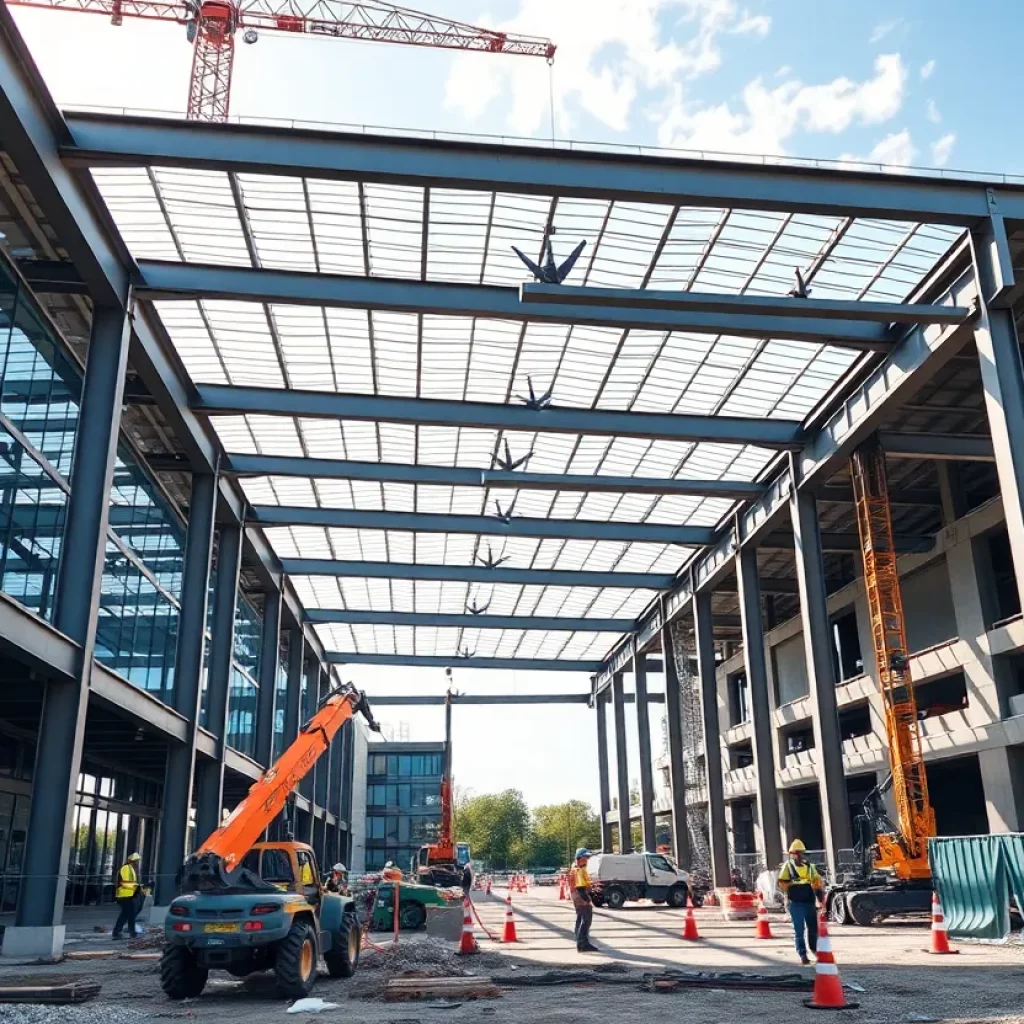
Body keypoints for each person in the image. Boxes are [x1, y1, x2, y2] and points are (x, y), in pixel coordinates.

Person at [777, 839, 823, 965]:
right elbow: (781, 883)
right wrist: (791, 888)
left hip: (809, 901)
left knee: (813, 928)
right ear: (792, 854)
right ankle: (802, 954)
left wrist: (821, 900)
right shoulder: (787, 866)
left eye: (801, 853)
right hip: (795, 902)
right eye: (796, 853)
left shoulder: (810, 867)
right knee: (799, 929)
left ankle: (814, 950)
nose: (799, 855)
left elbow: (817, 884)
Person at [569, 848, 598, 953]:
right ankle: (582, 944)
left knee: (580, 918)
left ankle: (580, 941)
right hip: (580, 896)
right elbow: (580, 887)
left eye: (587, 857)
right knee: (586, 920)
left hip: (576, 895)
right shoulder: (579, 870)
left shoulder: (575, 868)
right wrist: (587, 900)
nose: (587, 860)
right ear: (579, 858)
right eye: (585, 857)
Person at [113, 852, 142, 940]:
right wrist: (137, 887)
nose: (137, 863)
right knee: (129, 915)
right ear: (131, 861)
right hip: (125, 895)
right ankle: (130, 932)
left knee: (126, 915)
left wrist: (138, 887)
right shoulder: (126, 868)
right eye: (136, 862)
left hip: (129, 895)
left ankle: (119, 932)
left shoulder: (131, 869)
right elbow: (125, 882)